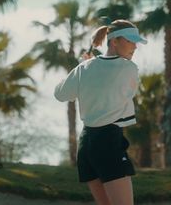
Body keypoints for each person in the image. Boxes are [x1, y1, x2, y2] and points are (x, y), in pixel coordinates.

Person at [54, 19, 147, 205]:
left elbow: (60, 94)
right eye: (130, 41)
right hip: (108, 142)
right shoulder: (129, 68)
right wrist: (89, 67)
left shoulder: (84, 68)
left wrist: (82, 67)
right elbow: (129, 91)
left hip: (86, 145)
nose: (135, 46)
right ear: (114, 41)